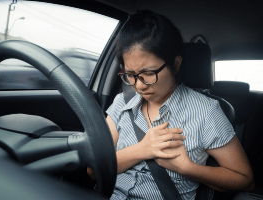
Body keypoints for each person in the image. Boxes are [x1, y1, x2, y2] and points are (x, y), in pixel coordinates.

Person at [88, 9, 254, 200]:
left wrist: (187, 168)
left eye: (149, 73)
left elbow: (245, 180)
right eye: (130, 74)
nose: (139, 85)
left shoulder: (206, 112)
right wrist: (141, 150)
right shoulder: (121, 102)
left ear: (175, 64)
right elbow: (93, 170)